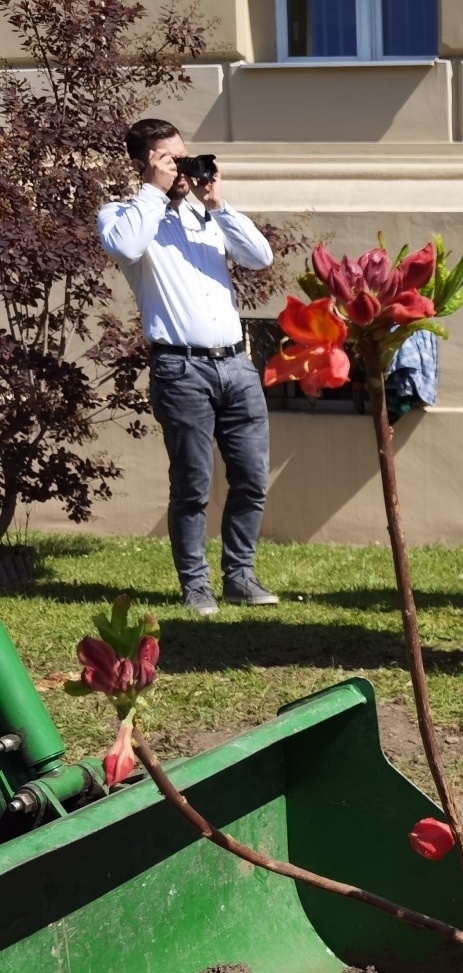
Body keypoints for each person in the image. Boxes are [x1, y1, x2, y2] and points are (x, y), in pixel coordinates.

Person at [98, 119, 277, 616]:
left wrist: (217, 203)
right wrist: (153, 192)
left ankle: (240, 576)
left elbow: (260, 258)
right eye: (167, 158)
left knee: (251, 477)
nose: (180, 166)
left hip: (236, 365)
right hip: (181, 370)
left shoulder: (204, 216)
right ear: (144, 163)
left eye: (183, 155)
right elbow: (126, 248)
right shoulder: (124, 216)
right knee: (193, 483)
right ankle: (196, 586)